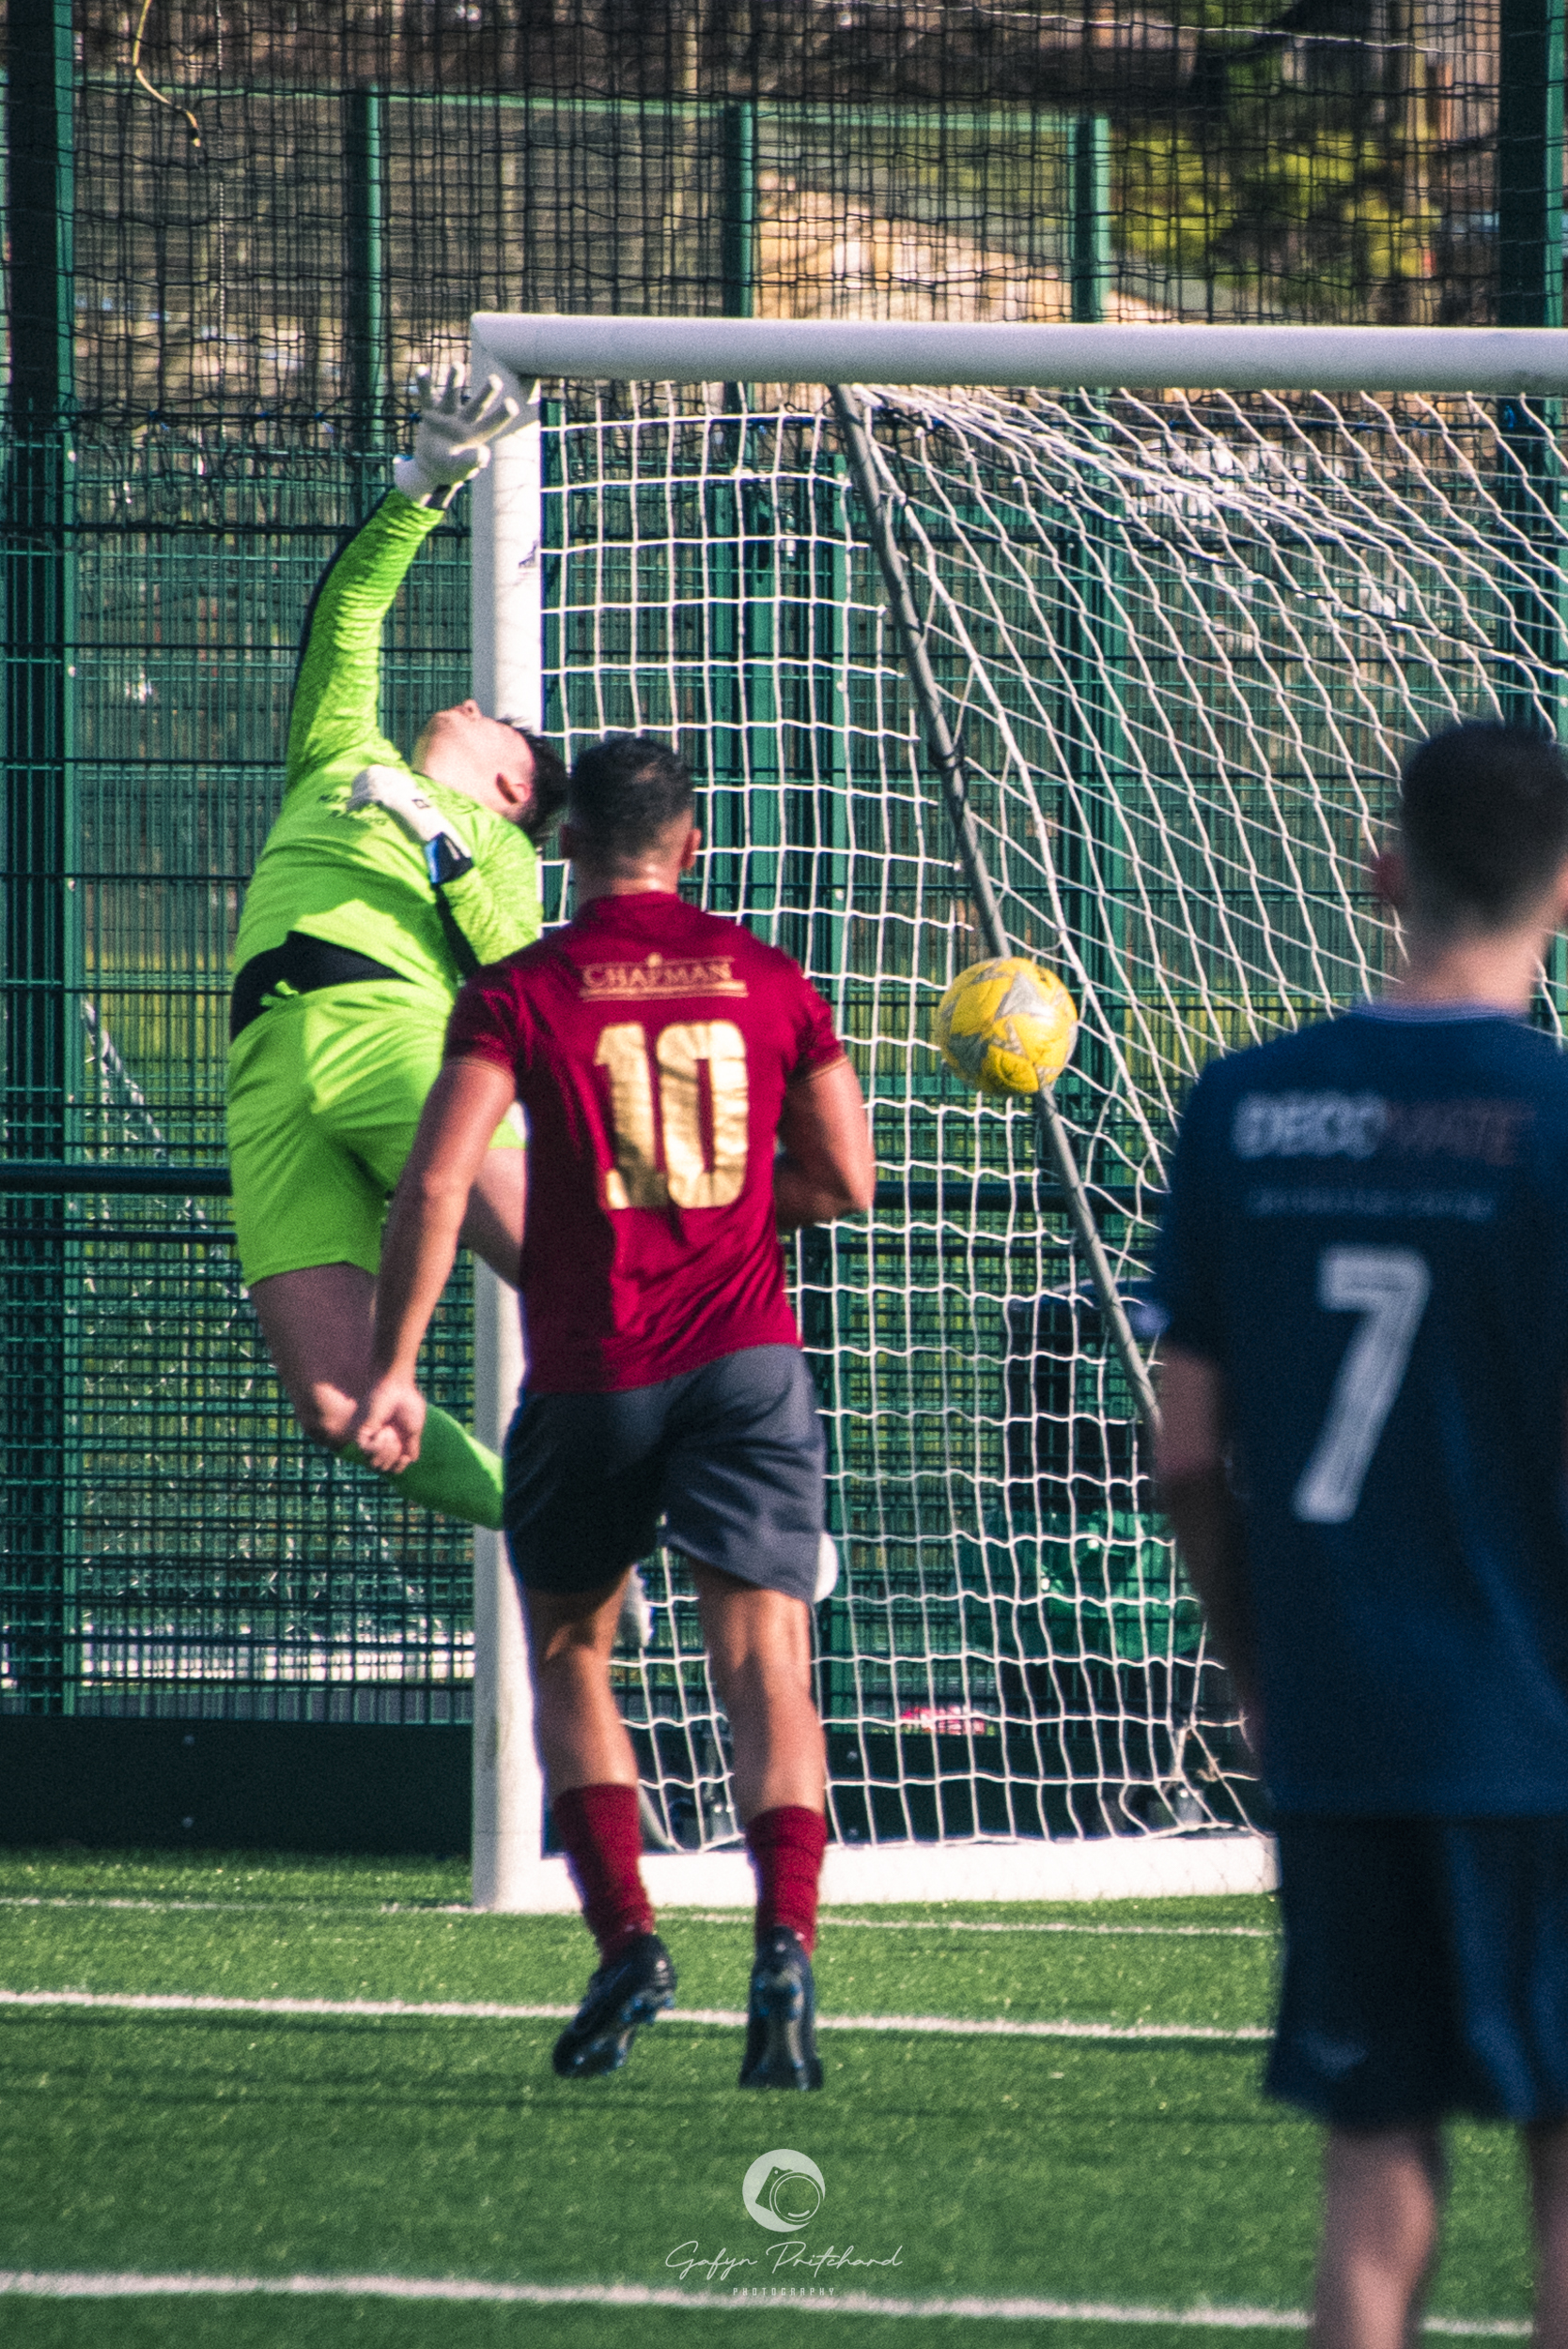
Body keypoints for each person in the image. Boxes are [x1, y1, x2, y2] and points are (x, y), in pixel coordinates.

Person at [350, 733, 876, 2089]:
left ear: (564, 847)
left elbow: (436, 1185)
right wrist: (729, 1221)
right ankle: (786, 1951)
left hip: (594, 1370)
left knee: (575, 1656)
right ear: (691, 845)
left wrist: (397, 1365)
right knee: (767, 1667)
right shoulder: (767, 977)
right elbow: (848, 1179)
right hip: (747, 1358)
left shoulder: (520, 991)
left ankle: (630, 1944)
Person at [1154, 720, 1568, 2349]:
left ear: (1382, 868)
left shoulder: (1242, 1105)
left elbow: (1185, 1448)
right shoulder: (1548, 1117)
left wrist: (1258, 1663)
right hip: (1534, 1725)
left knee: (1371, 2177)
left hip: (1336, 1725)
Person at [227, 366, 567, 1529]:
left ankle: (741, 1479)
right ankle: (557, 1523)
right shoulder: (338, 756)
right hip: (265, 1068)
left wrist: (439, 842)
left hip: (392, 1038)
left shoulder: (502, 850)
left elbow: (511, 979)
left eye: (493, 722)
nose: (467, 706)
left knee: (580, 1280)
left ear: (515, 783)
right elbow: (346, 618)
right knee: (336, 1405)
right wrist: (424, 483)